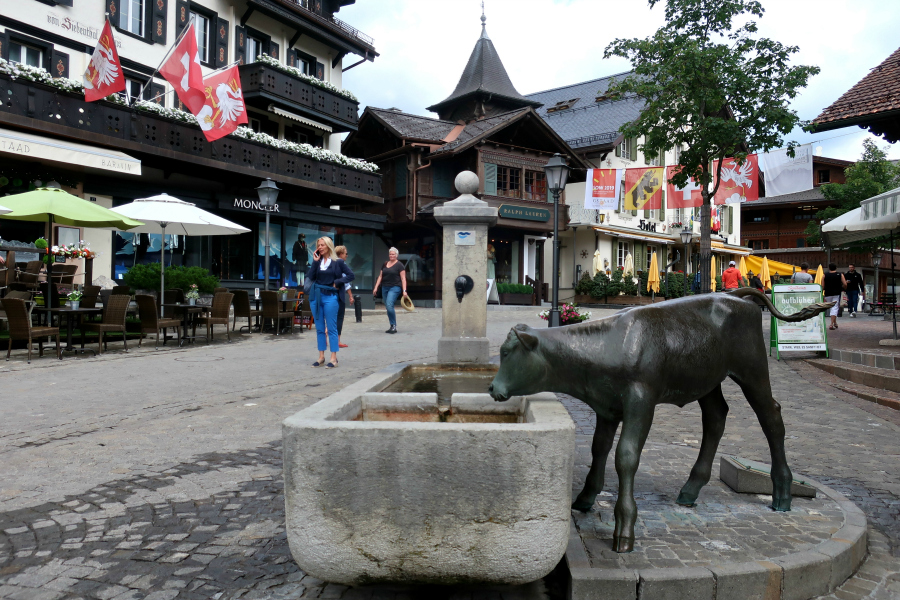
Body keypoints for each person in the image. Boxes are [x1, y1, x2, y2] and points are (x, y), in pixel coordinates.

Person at [306, 236, 354, 368]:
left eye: (322, 245)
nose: (320, 247)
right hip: (316, 297)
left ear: (328, 246)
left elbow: (351, 275)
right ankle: (321, 357)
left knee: (332, 329)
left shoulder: (338, 262)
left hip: (331, 297)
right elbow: (311, 277)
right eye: (318, 245)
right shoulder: (318, 261)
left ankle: (334, 358)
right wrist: (315, 262)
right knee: (320, 329)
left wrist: (337, 282)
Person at [372, 247, 407, 334]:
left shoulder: (400, 265)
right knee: (388, 306)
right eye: (390, 254)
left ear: (396, 255)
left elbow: (403, 278)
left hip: (395, 287)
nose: (391, 256)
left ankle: (394, 326)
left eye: (393, 254)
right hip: (384, 287)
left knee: (389, 304)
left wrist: (404, 290)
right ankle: (391, 325)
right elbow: (380, 276)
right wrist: (376, 287)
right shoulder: (385, 264)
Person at [334, 245, 355, 348]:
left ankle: (325, 335)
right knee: (339, 317)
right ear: (341, 254)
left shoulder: (331, 262)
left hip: (330, 293)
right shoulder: (341, 264)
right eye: (346, 253)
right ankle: (337, 340)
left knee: (332, 316)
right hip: (339, 294)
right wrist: (350, 295)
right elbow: (347, 281)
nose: (347, 255)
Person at [823, 262, 847, 331]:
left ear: (829, 268)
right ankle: (831, 324)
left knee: (831, 307)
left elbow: (822, 285)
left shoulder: (825, 275)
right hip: (836, 293)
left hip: (827, 293)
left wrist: (823, 291)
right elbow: (845, 283)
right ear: (836, 268)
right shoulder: (840, 274)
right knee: (835, 307)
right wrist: (844, 288)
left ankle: (835, 322)